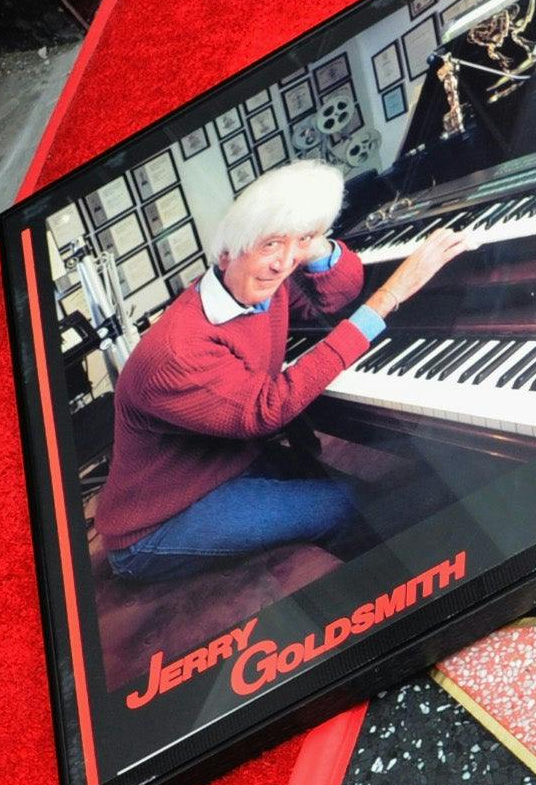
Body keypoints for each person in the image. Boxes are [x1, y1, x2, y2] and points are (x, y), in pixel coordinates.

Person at [98, 158, 471, 580]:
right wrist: (389, 297)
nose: (282, 264)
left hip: (224, 466)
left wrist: (311, 244)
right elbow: (267, 409)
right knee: (343, 502)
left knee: (373, 495)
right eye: (269, 244)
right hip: (154, 527)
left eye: (298, 244)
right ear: (226, 252)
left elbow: (333, 298)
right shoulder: (175, 351)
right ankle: (423, 586)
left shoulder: (261, 289)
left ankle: (445, 558)